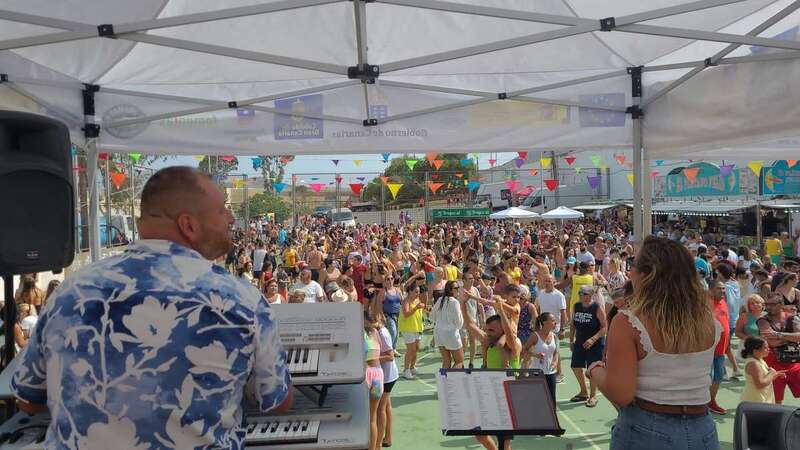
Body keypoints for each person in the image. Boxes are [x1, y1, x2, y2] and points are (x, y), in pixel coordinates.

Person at [11, 166, 292, 448]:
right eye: (222, 211)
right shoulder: (240, 300)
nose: (230, 218)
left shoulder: (70, 292)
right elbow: (276, 401)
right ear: (189, 225)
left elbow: (28, 399)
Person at [590, 237, 720, 450]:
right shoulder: (708, 319)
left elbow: (620, 394)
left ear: (646, 275)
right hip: (703, 428)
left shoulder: (628, 322)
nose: (630, 272)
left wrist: (595, 371)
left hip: (646, 428)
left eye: (634, 265)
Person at [757, 293, 800, 404]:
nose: (768, 307)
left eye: (772, 304)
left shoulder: (792, 318)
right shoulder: (762, 320)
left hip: (795, 364)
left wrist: (778, 334)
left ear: (781, 304)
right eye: (766, 304)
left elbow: (799, 336)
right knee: (776, 399)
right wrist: (791, 338)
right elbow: (772, 342)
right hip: (773, 365)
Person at [569, 285, 606, 408]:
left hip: (595, 343)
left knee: (592, 369)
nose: (581, 296)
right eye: (580, 293)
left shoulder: (596, 307)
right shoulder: (577, 306)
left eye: (584, 293)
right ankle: (583, 391)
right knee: (575, 366)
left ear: (590, 295)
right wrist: (571, 340)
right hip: (580, 340)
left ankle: (593, 396)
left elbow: (604, 327)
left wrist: (593, 339)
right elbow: (573, 324)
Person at [522, 312, 559, 405]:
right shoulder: (535, 336)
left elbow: (556, 352)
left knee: (551, 399)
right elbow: (524, 350)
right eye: (553, 320)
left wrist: (555, 362)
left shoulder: (554, 336)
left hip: (551, 372)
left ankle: (553, 414)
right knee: (538, 398)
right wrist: (535, 355)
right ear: (545, 323)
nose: (555, 322)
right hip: (537, 373)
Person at [707, 279, 730, 414]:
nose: (722, 291)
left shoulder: (723, 303)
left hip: (721, 349)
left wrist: (727, 345)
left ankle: (711, 401)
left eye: (723, 288)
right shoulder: (704, 305)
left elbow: (726, 323)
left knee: (718, 376)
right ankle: (701, 403)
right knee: (706, 378)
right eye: (718, 288)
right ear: (710, 290)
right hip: (707, 350)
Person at [740, 336, 786, 404]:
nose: (768, 349)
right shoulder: (753, 364)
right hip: (755, 401)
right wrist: (771, 373)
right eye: (765, 348)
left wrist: (775, 374)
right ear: (755, 350)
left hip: (761, 399)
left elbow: (765, 378)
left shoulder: (759, 359)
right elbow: (760, 384)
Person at [430, 281, 464, 369]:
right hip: (450, 334)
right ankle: (452, 378)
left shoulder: (440, 300)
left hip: (438, 333)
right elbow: (459, 323)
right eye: (456, 288)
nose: (458, 290)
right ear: (450, 290)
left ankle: (444, 378)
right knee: (459, 361)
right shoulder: (455, 302)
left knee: (446, 361)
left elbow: (432, 317)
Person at [377, 315, 399, 449]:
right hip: (388, 375)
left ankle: (378, 441)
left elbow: (390, 356)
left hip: (387, 376)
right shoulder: (381, 331)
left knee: (380, 408)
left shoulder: (382, 333)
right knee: (386, 406)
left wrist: (371, 357)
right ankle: (388, 437)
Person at [716, 263, 741, 378]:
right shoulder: (735, 284)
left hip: (726, 321)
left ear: (721, 273)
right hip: (733, 320)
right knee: (727, 347)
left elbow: (725, 303)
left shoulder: (724, 288)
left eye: (717, 272)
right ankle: (735, 370)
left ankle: (724, 373)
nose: (716, 274)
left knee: (721, 348)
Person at [364, 313, 385, 450]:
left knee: (364, 418)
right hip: (378, 374)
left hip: (366, 374)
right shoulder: (376, 332)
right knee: (373, 418)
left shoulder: (359, 334)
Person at [399, 283, 426, 379]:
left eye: (418, 292)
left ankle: (412, 367)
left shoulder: (417, 300)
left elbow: (420, 312)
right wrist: (416, 308)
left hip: (417, 327)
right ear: (410, 292)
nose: (417, 294)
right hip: (407, 328)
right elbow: (406, 314)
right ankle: (406, 370)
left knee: (417, 348)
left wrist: (424, 309)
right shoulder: (406, 301)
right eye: (415, 292)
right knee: (411, 350)